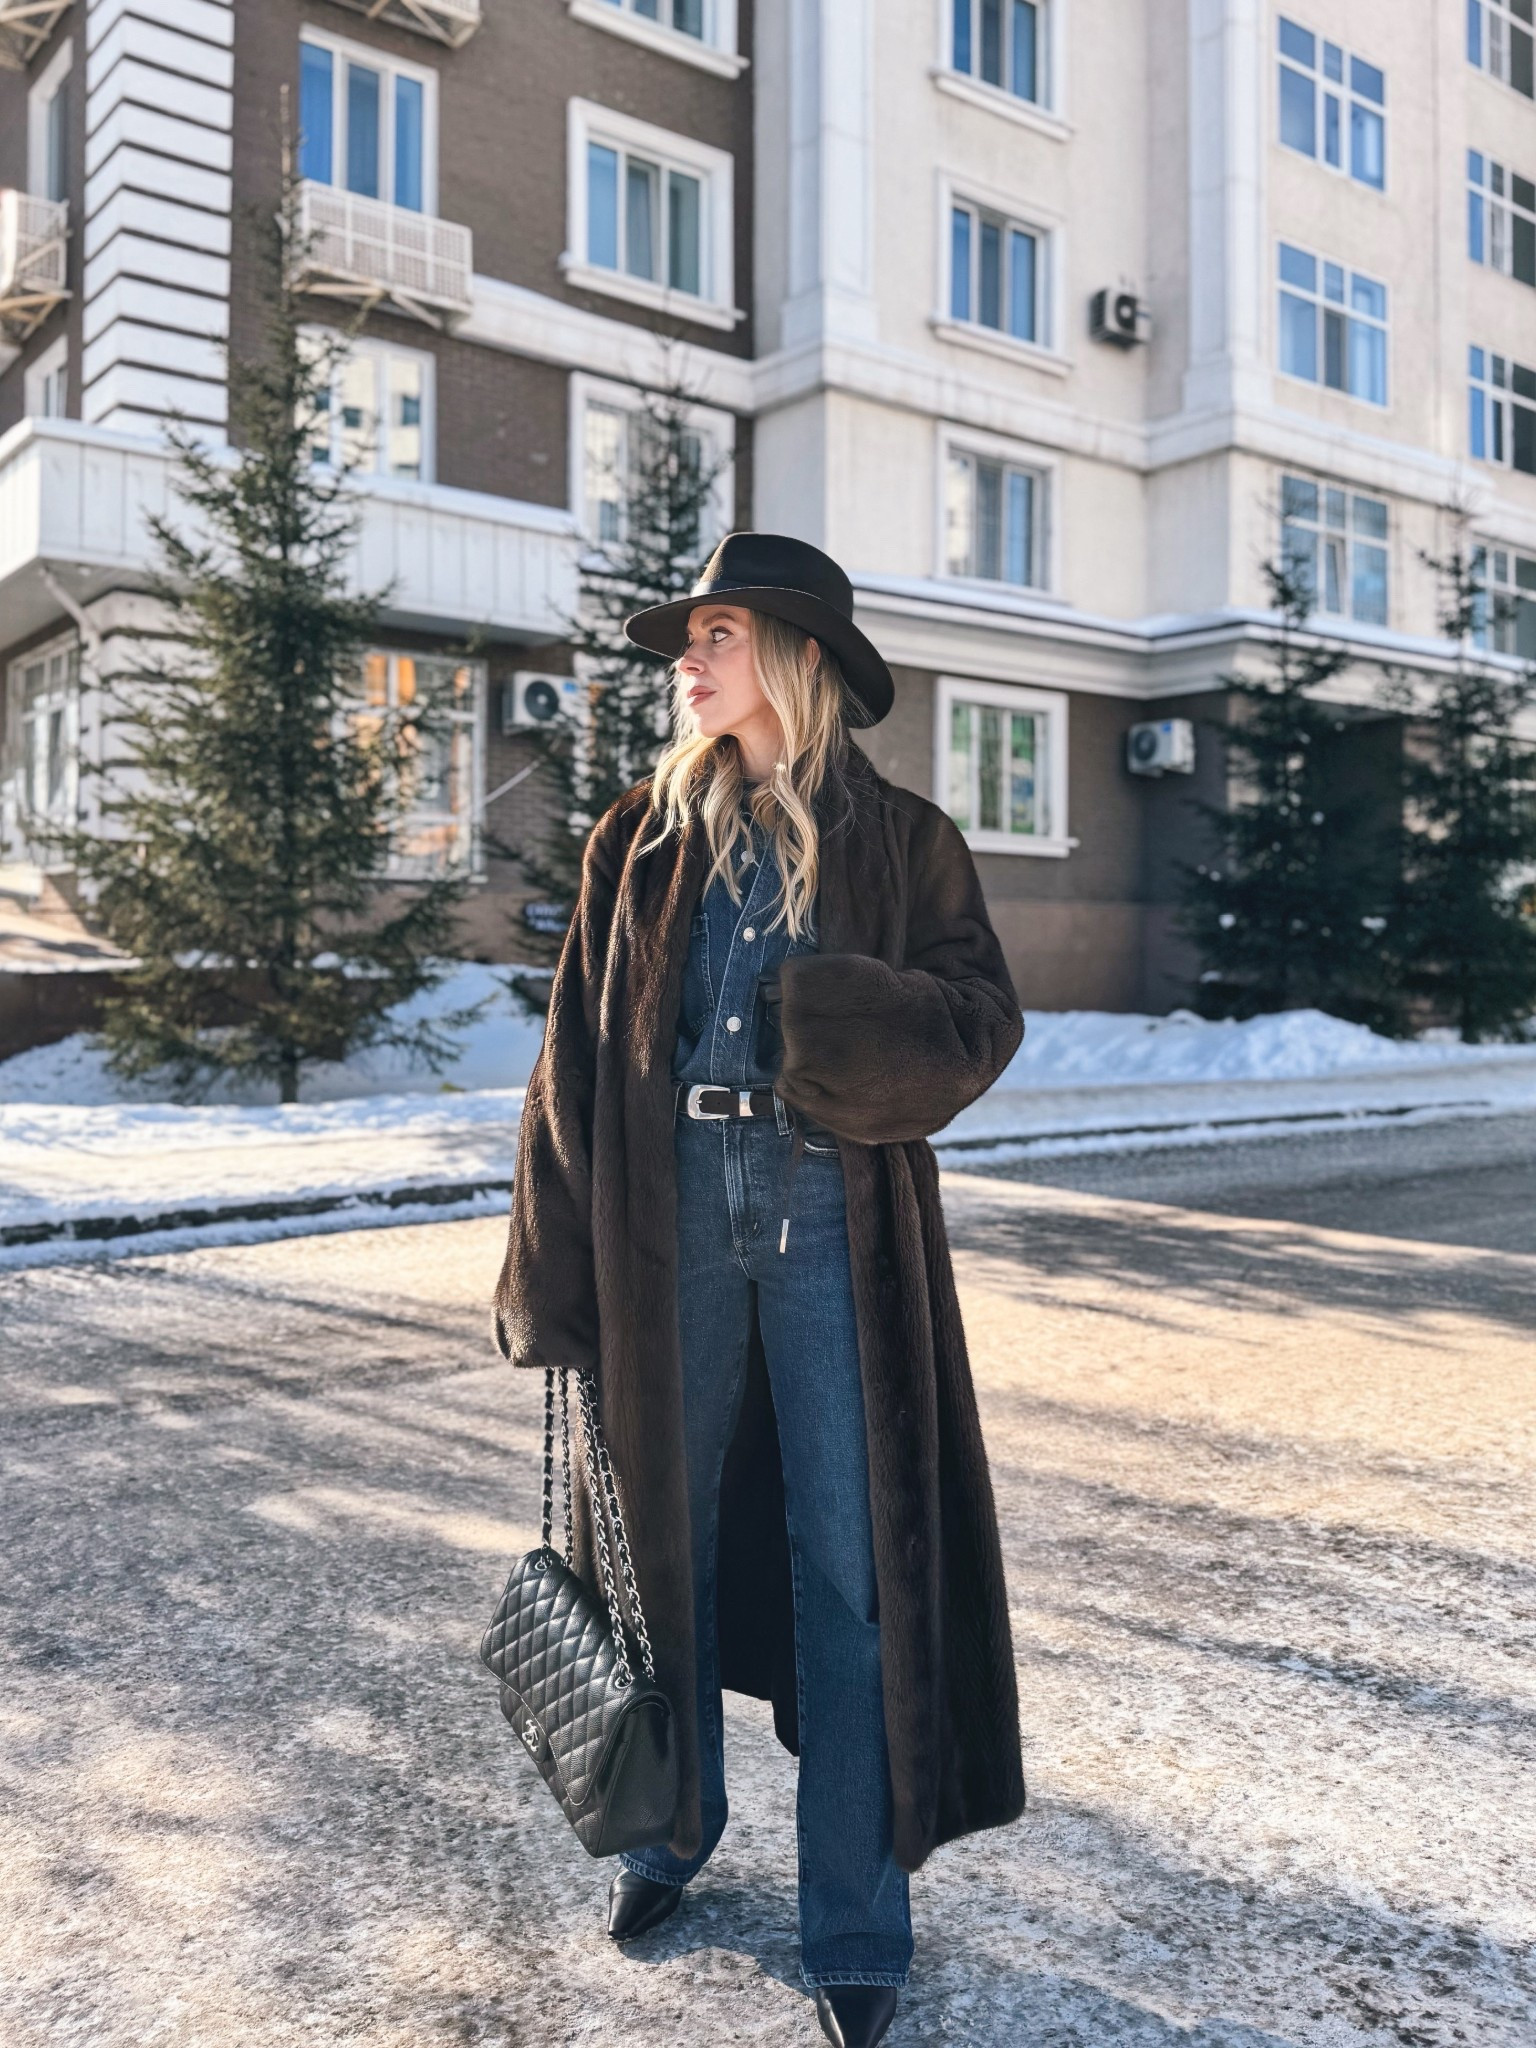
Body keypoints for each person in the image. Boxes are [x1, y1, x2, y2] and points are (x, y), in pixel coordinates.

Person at [493, 533, 1027, 2048]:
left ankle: (855, 1924)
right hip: (666, 1226)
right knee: (667, 1556)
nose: (687, 660)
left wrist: (841, 1019)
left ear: (789, 655)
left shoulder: (903, 840)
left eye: (715, 633)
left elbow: (979, 1020)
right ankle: (671, 1832)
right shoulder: (637, 838)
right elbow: (571, 1069)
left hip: (826, 1220)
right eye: (687, 640)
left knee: (853, 1578)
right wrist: (553, 1264)